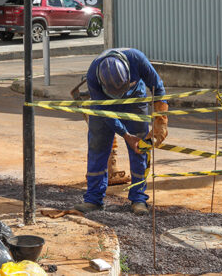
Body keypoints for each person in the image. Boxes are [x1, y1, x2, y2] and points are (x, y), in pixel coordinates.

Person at [71, 48, 169, 216]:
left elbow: (158, 89)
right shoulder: (93, 75)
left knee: (139, 148)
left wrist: (160, 121)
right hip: (104, 106)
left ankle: (138, 198)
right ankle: (93, 200)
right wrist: (125, 135)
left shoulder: (137, 60)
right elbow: (105, 115)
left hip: (135, 101)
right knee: (97, 147)